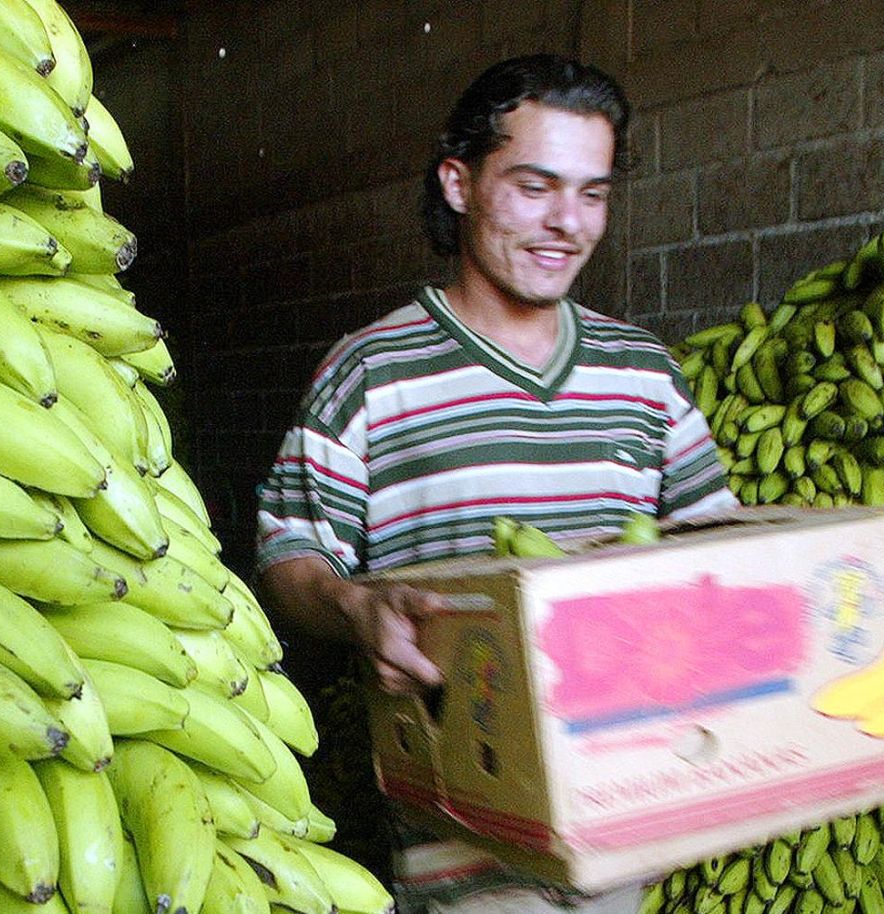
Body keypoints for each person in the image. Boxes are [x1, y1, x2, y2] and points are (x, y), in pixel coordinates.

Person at [254, 54, 739, 913]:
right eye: (535, 186)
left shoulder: (643, 374)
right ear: (458, 183)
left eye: (593, 193)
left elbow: (715, 551)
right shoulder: (371, 372)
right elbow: (291, 555)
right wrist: (357, 607)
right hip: (462, 840)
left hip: (624, 833)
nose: (567, 222)